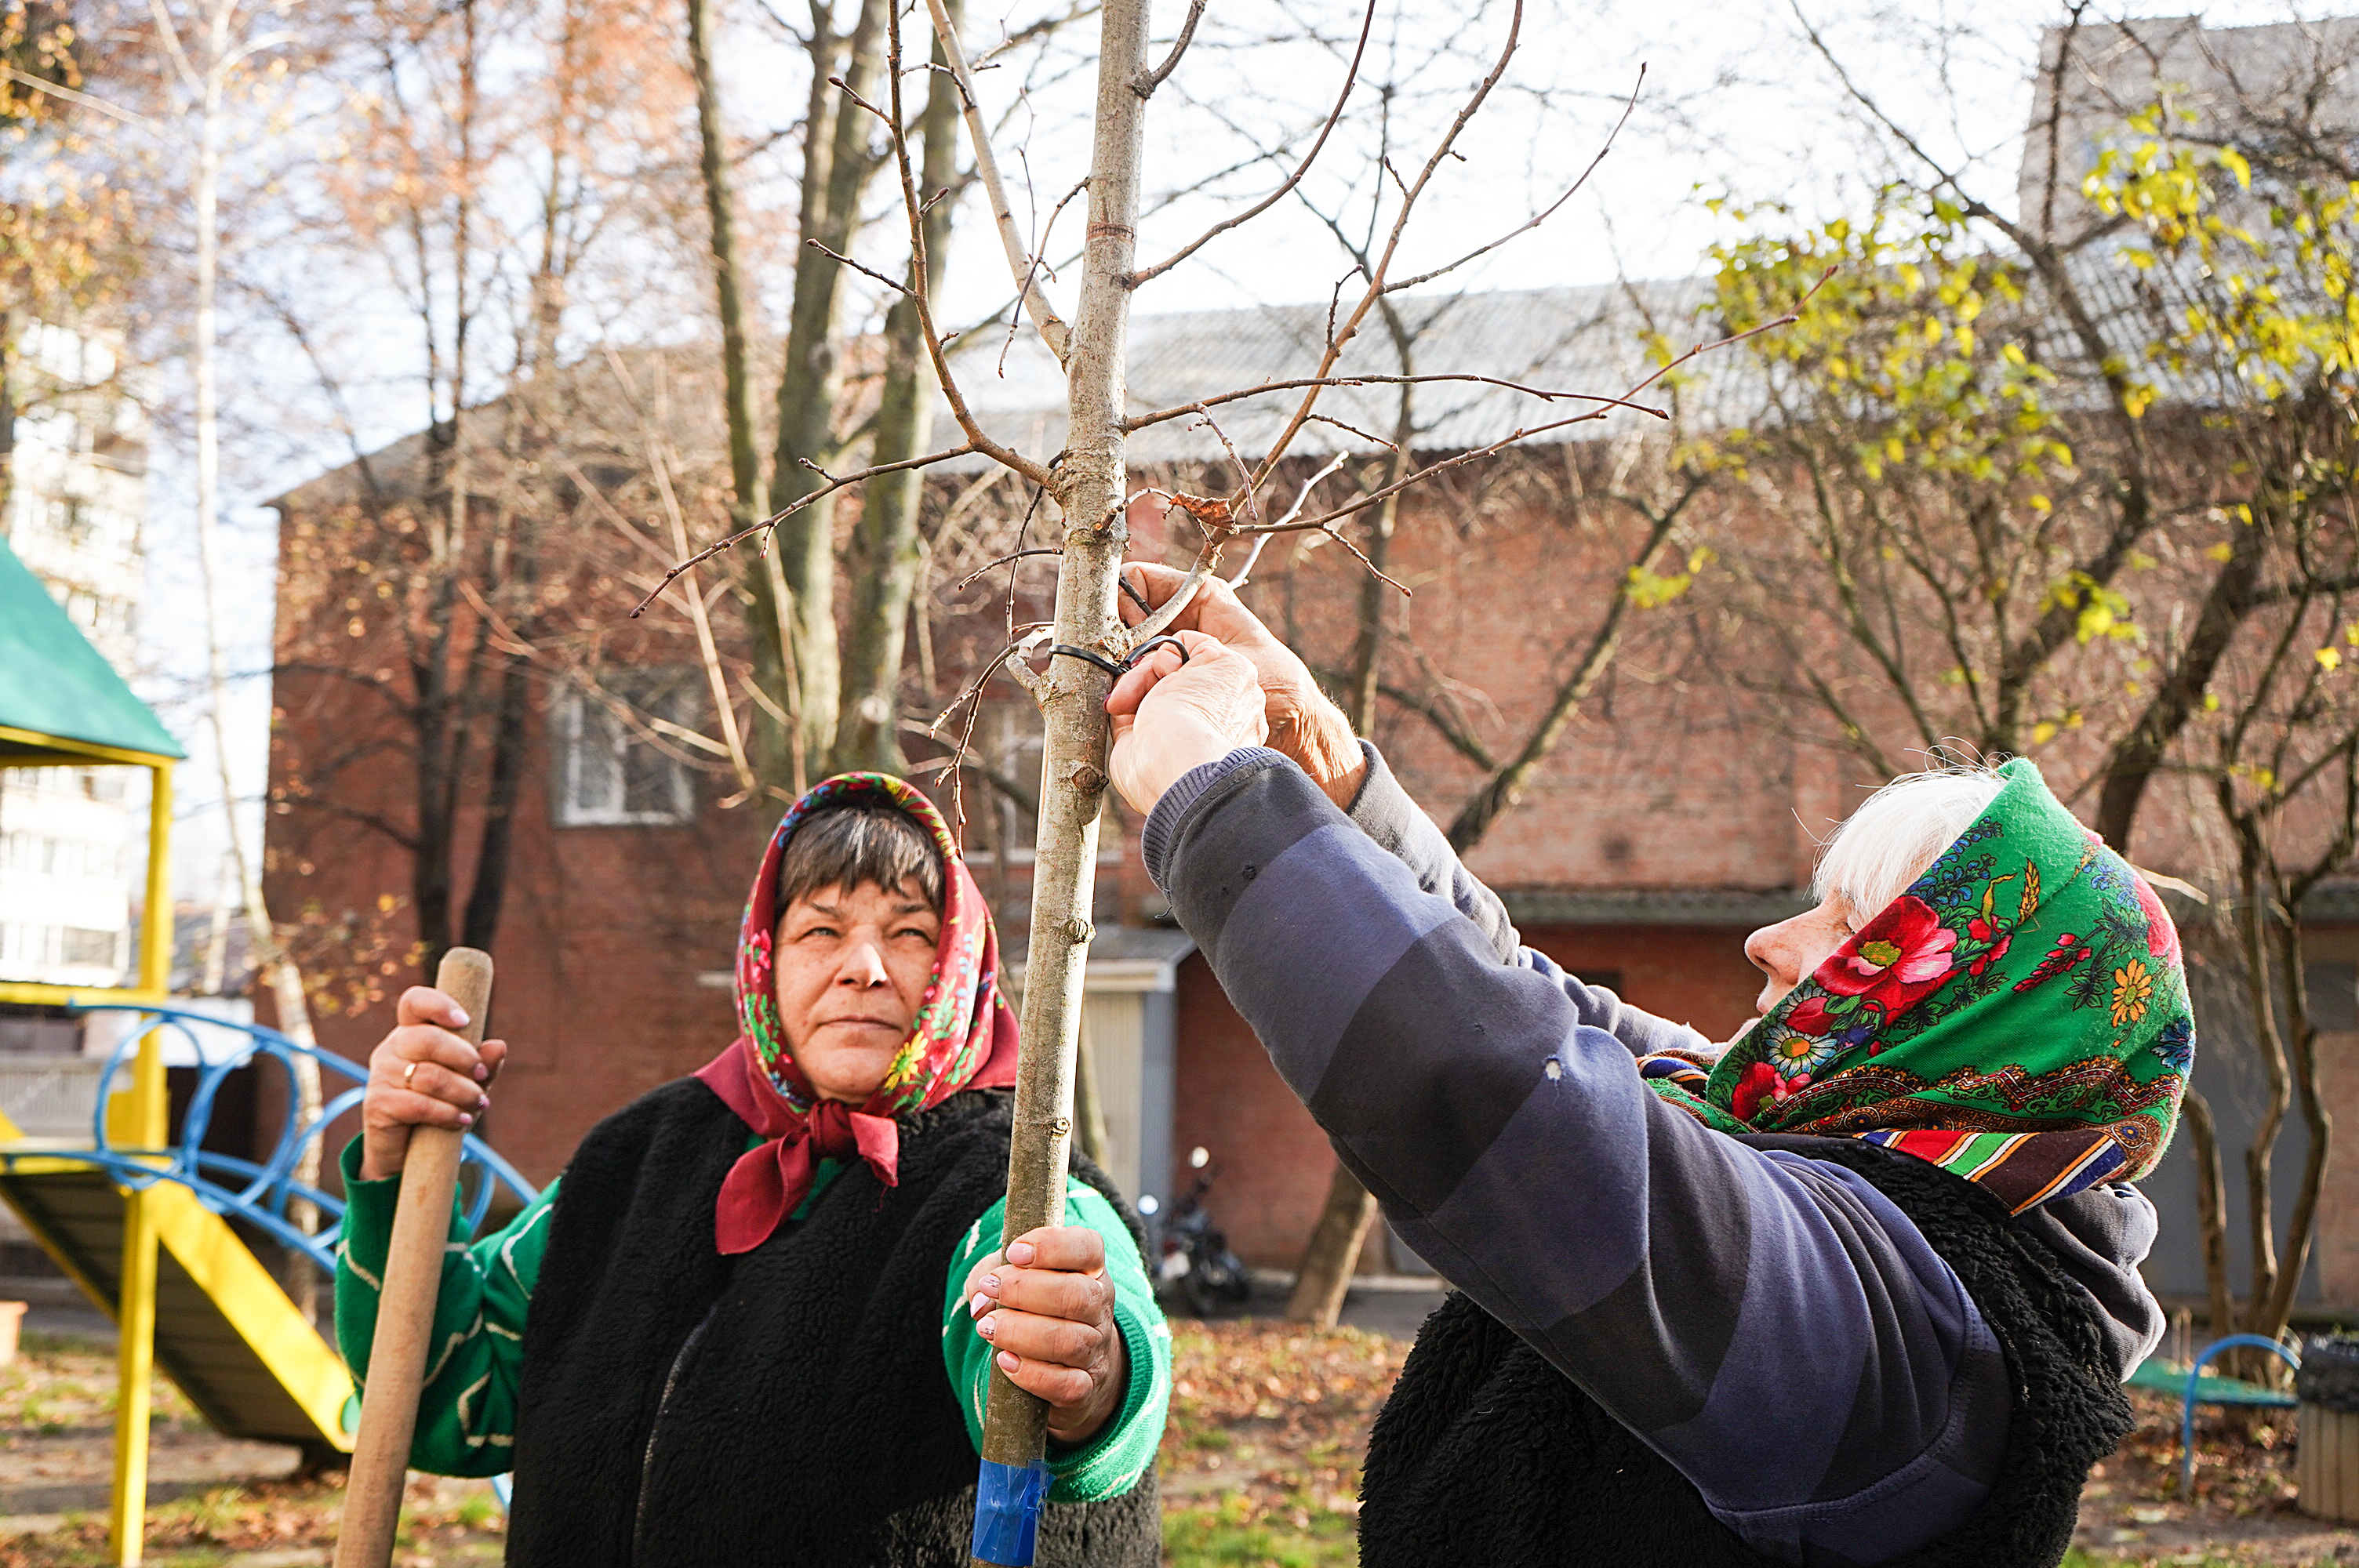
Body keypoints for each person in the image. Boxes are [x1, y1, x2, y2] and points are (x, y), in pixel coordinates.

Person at [1105, 564, 2189, 1568]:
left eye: (1852, 930)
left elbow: (1517, 1104)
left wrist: (1219, 805)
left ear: (1971, 1020)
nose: (1770, 941)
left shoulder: (1921, 1332)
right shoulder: (1804, 1146)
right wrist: (1320, 766)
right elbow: (1525, 1007)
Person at [334, 774, 1169, 1566]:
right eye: (821, 929)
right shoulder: (633, 1162)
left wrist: (1085, 1371)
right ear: (767, 958)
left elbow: (1092, 1353)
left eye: (909, 932)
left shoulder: (1009, 1180)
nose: (864, 966)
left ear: (956, 964)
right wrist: (391, 1161)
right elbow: (445, 1382)